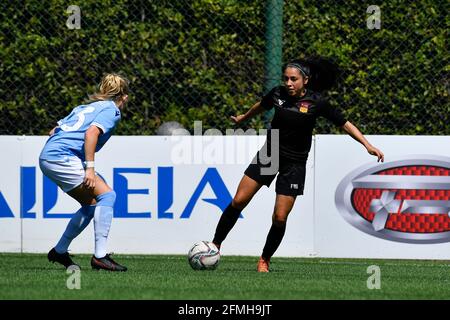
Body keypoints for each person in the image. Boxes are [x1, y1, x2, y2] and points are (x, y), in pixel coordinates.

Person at [212, 57, 384, 272]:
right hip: (269, 154)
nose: (289, 83)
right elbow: (262, 105)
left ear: (305, 80)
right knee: (238, 200)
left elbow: (345, 124)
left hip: (294, 163)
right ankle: (215, 245)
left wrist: (367, 145)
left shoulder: (317, 102)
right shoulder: (277, 93)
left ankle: (264, 259)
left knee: (280, 216)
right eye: (286, 79)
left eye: (293, 79)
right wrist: (243, 117)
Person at [39, 73, 130, 271]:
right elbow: (91, 133)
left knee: (90, 205)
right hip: (62, 157)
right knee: (108, 196)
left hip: (50, 156)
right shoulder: (111, 110)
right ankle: (100, 256)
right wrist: (89, 168)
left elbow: (54, 131)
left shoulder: (85, 107)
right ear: (124, 97)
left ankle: (60, 251)